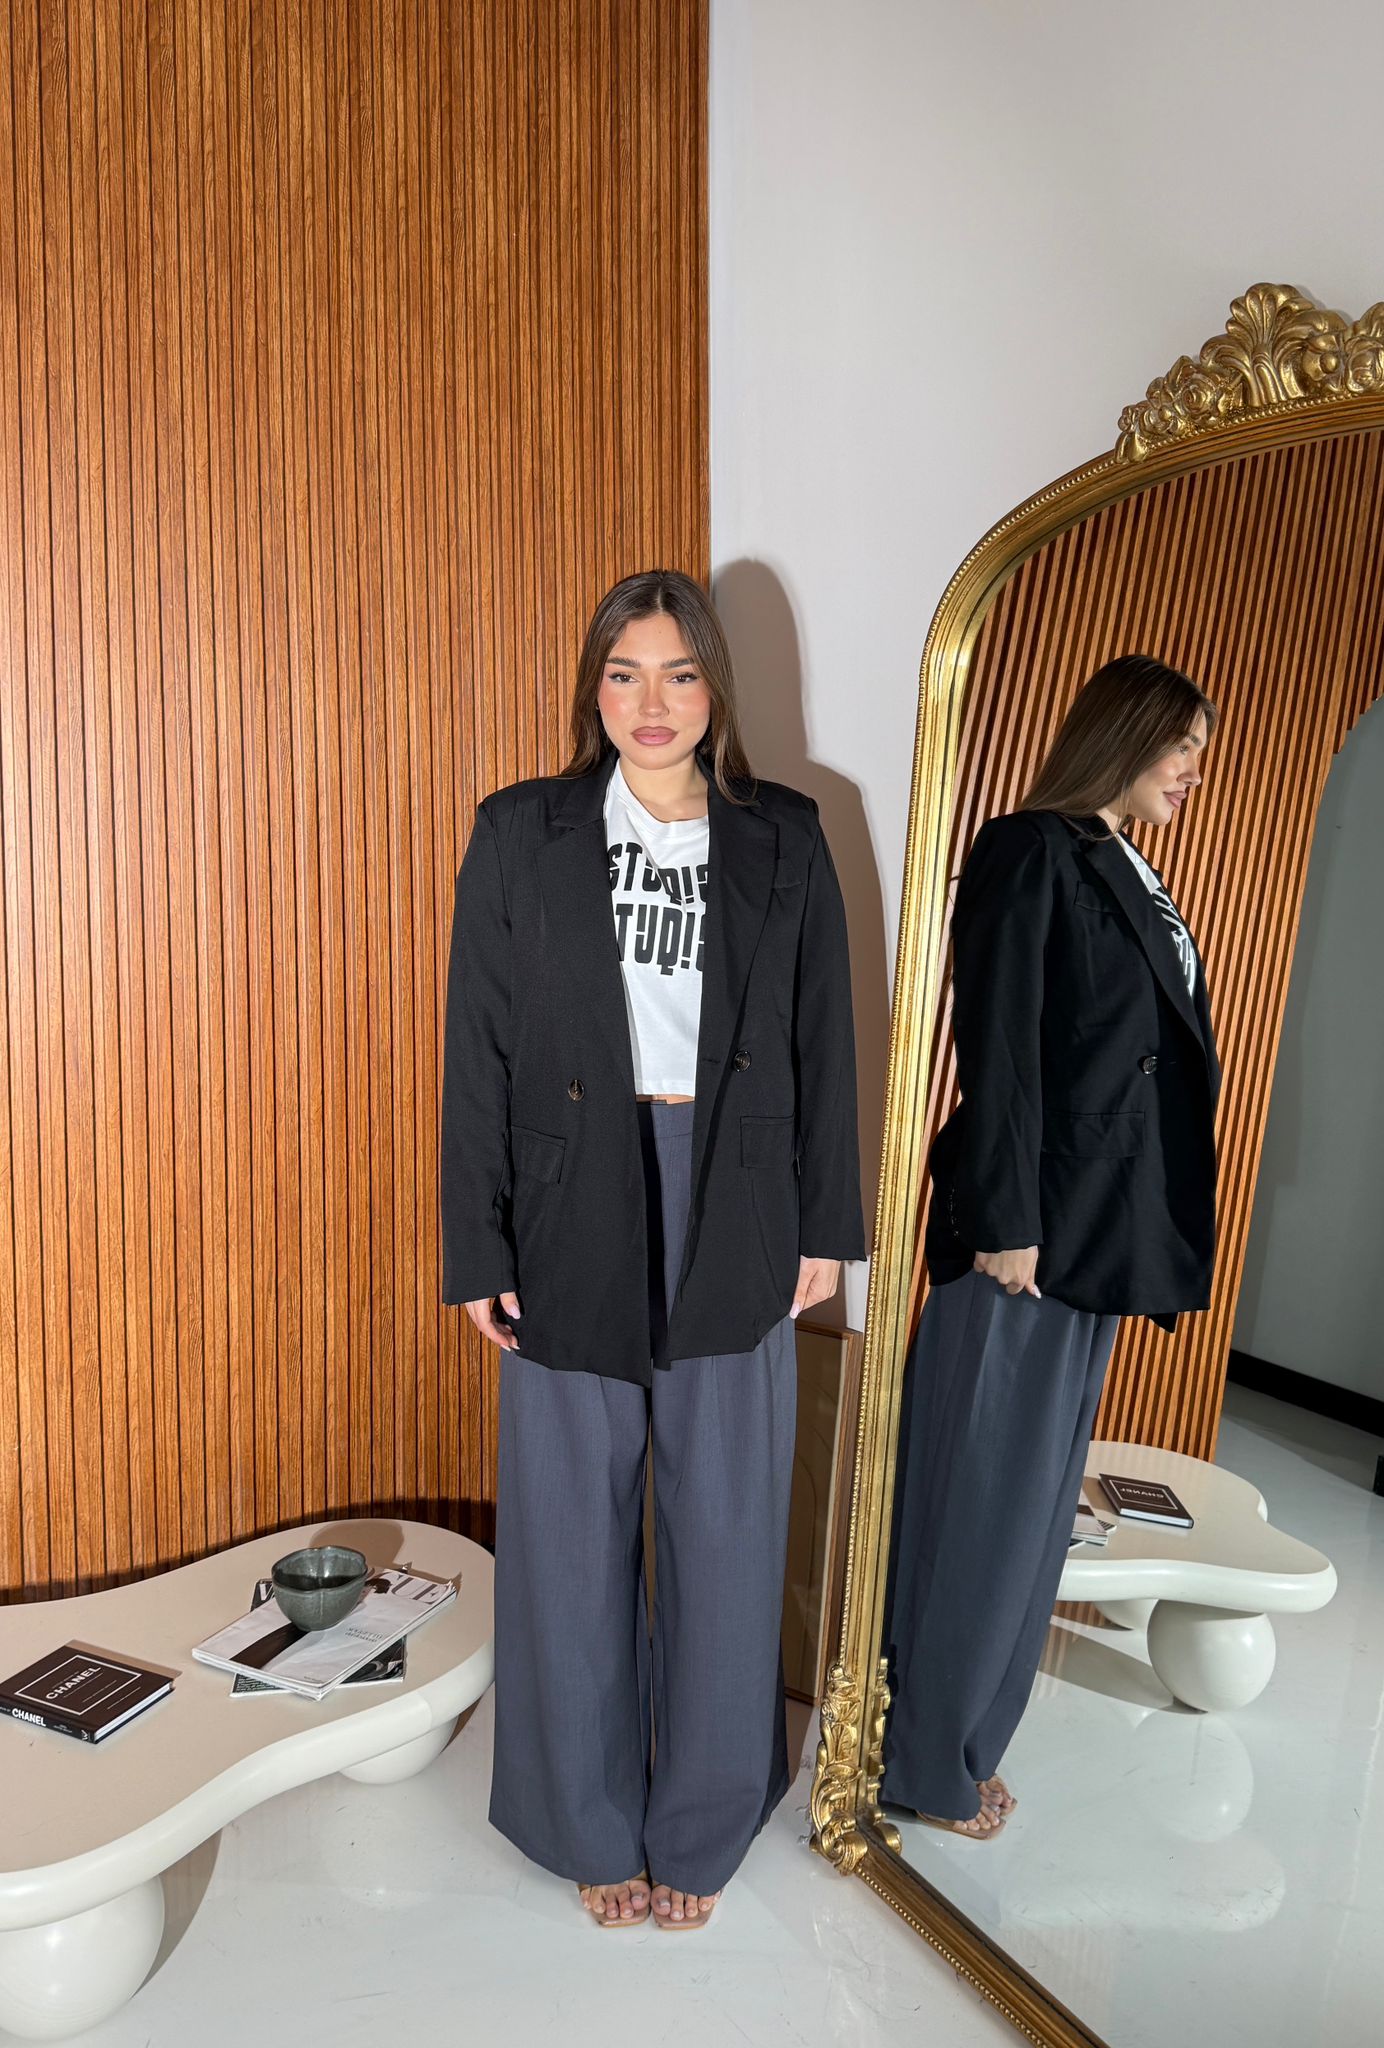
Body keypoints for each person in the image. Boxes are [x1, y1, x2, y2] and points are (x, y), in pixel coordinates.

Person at [441, 568, 867, 1927]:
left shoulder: (786, 834)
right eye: (624, 673)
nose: (652, 702)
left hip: (732, 1190)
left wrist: (826, 1229)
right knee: (568, 1524)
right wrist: (477, 1242)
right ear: (594, 688)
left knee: (727, 1519)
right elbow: (477, 1049)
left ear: (714, 688)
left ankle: (699, 1823)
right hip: (570, 1192)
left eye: (680, 672)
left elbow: (824, 1039)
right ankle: (584, 1820)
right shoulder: (523, 831)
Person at [881, 654, 1221, 1838]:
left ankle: (964, 1742)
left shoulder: (1132, 868)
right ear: (1121, 735)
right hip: (1025, 1241)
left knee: (1027, 1515)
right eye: (1178, 742)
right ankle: (921, 1759)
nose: (1192, 767)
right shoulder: (1033, 847)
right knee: (978, 1506)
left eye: (1199, 748)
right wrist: (1007, 1220)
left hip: (1097, 1234)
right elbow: (1000, 1043)